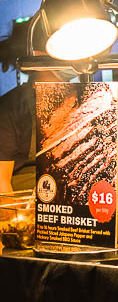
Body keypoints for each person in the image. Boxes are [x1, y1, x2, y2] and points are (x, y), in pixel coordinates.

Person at [0, 24, 77, 192]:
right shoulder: (10, 108)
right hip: (26, 207)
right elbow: (1, 185)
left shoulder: (84, 100)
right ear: (38, 55)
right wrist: (21, 217)